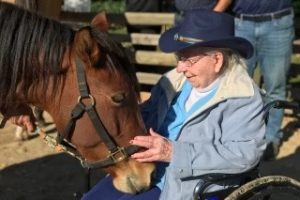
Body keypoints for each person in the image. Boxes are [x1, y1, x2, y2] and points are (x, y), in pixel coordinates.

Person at [81, 9, 266, 200]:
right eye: (179, 58)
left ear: (217, 60)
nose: (180, 68)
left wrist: (173, 152)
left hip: (187, 184)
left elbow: (244, 155)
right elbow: (146, 115)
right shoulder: (173, 83)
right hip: (145, 168)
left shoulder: (242, 97)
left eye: (188, 60)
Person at [221, 0, 295, 160]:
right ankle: (238, 137)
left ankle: (271, 139)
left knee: (275, 87)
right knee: (236, 87)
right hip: (241, 23)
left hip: (278, 22)